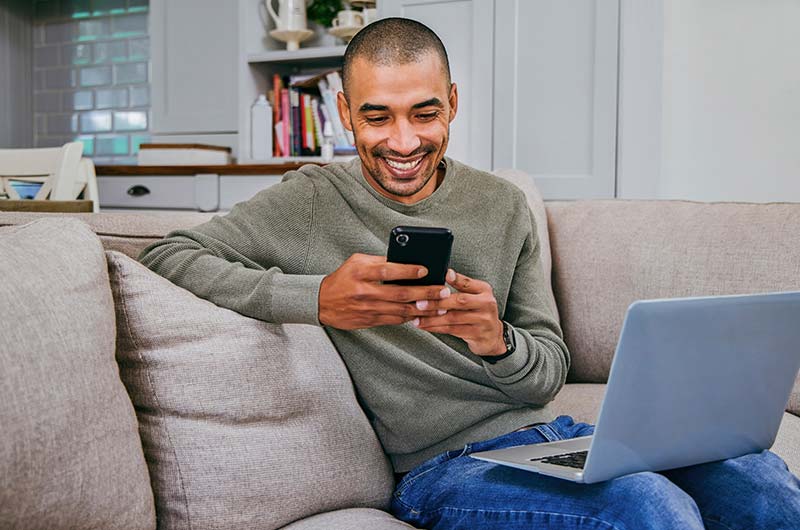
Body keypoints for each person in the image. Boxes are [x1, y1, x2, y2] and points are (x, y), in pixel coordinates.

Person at [139, 17, 800, 530]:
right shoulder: (309, 203)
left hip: (556, 439)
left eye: (424, 113)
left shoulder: (503, 206)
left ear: (452, 103)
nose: (403, 142)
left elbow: (547, 370)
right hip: (442, 470)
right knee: (647, 509)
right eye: (377, 117)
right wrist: (319, 298)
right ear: (345, 115)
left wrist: (497, 341)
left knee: (755, 474)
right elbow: (168, 256)